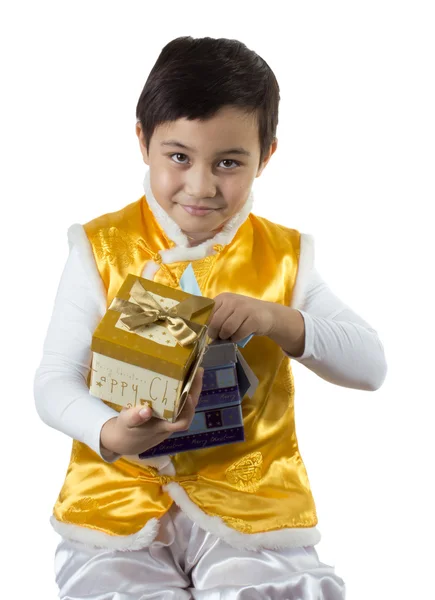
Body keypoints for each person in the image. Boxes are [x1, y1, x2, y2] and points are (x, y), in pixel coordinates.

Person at [35, 36, 387, 599]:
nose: (200, 186)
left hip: (254, 506)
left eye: (228, 162)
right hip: (116, 507)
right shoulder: (99, 249)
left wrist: (279, 320)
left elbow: (371, 366)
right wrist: (107, 432)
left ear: (266, 155)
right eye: (179, 157)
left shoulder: (285, 257)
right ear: (142, 142)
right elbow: (54, 380)